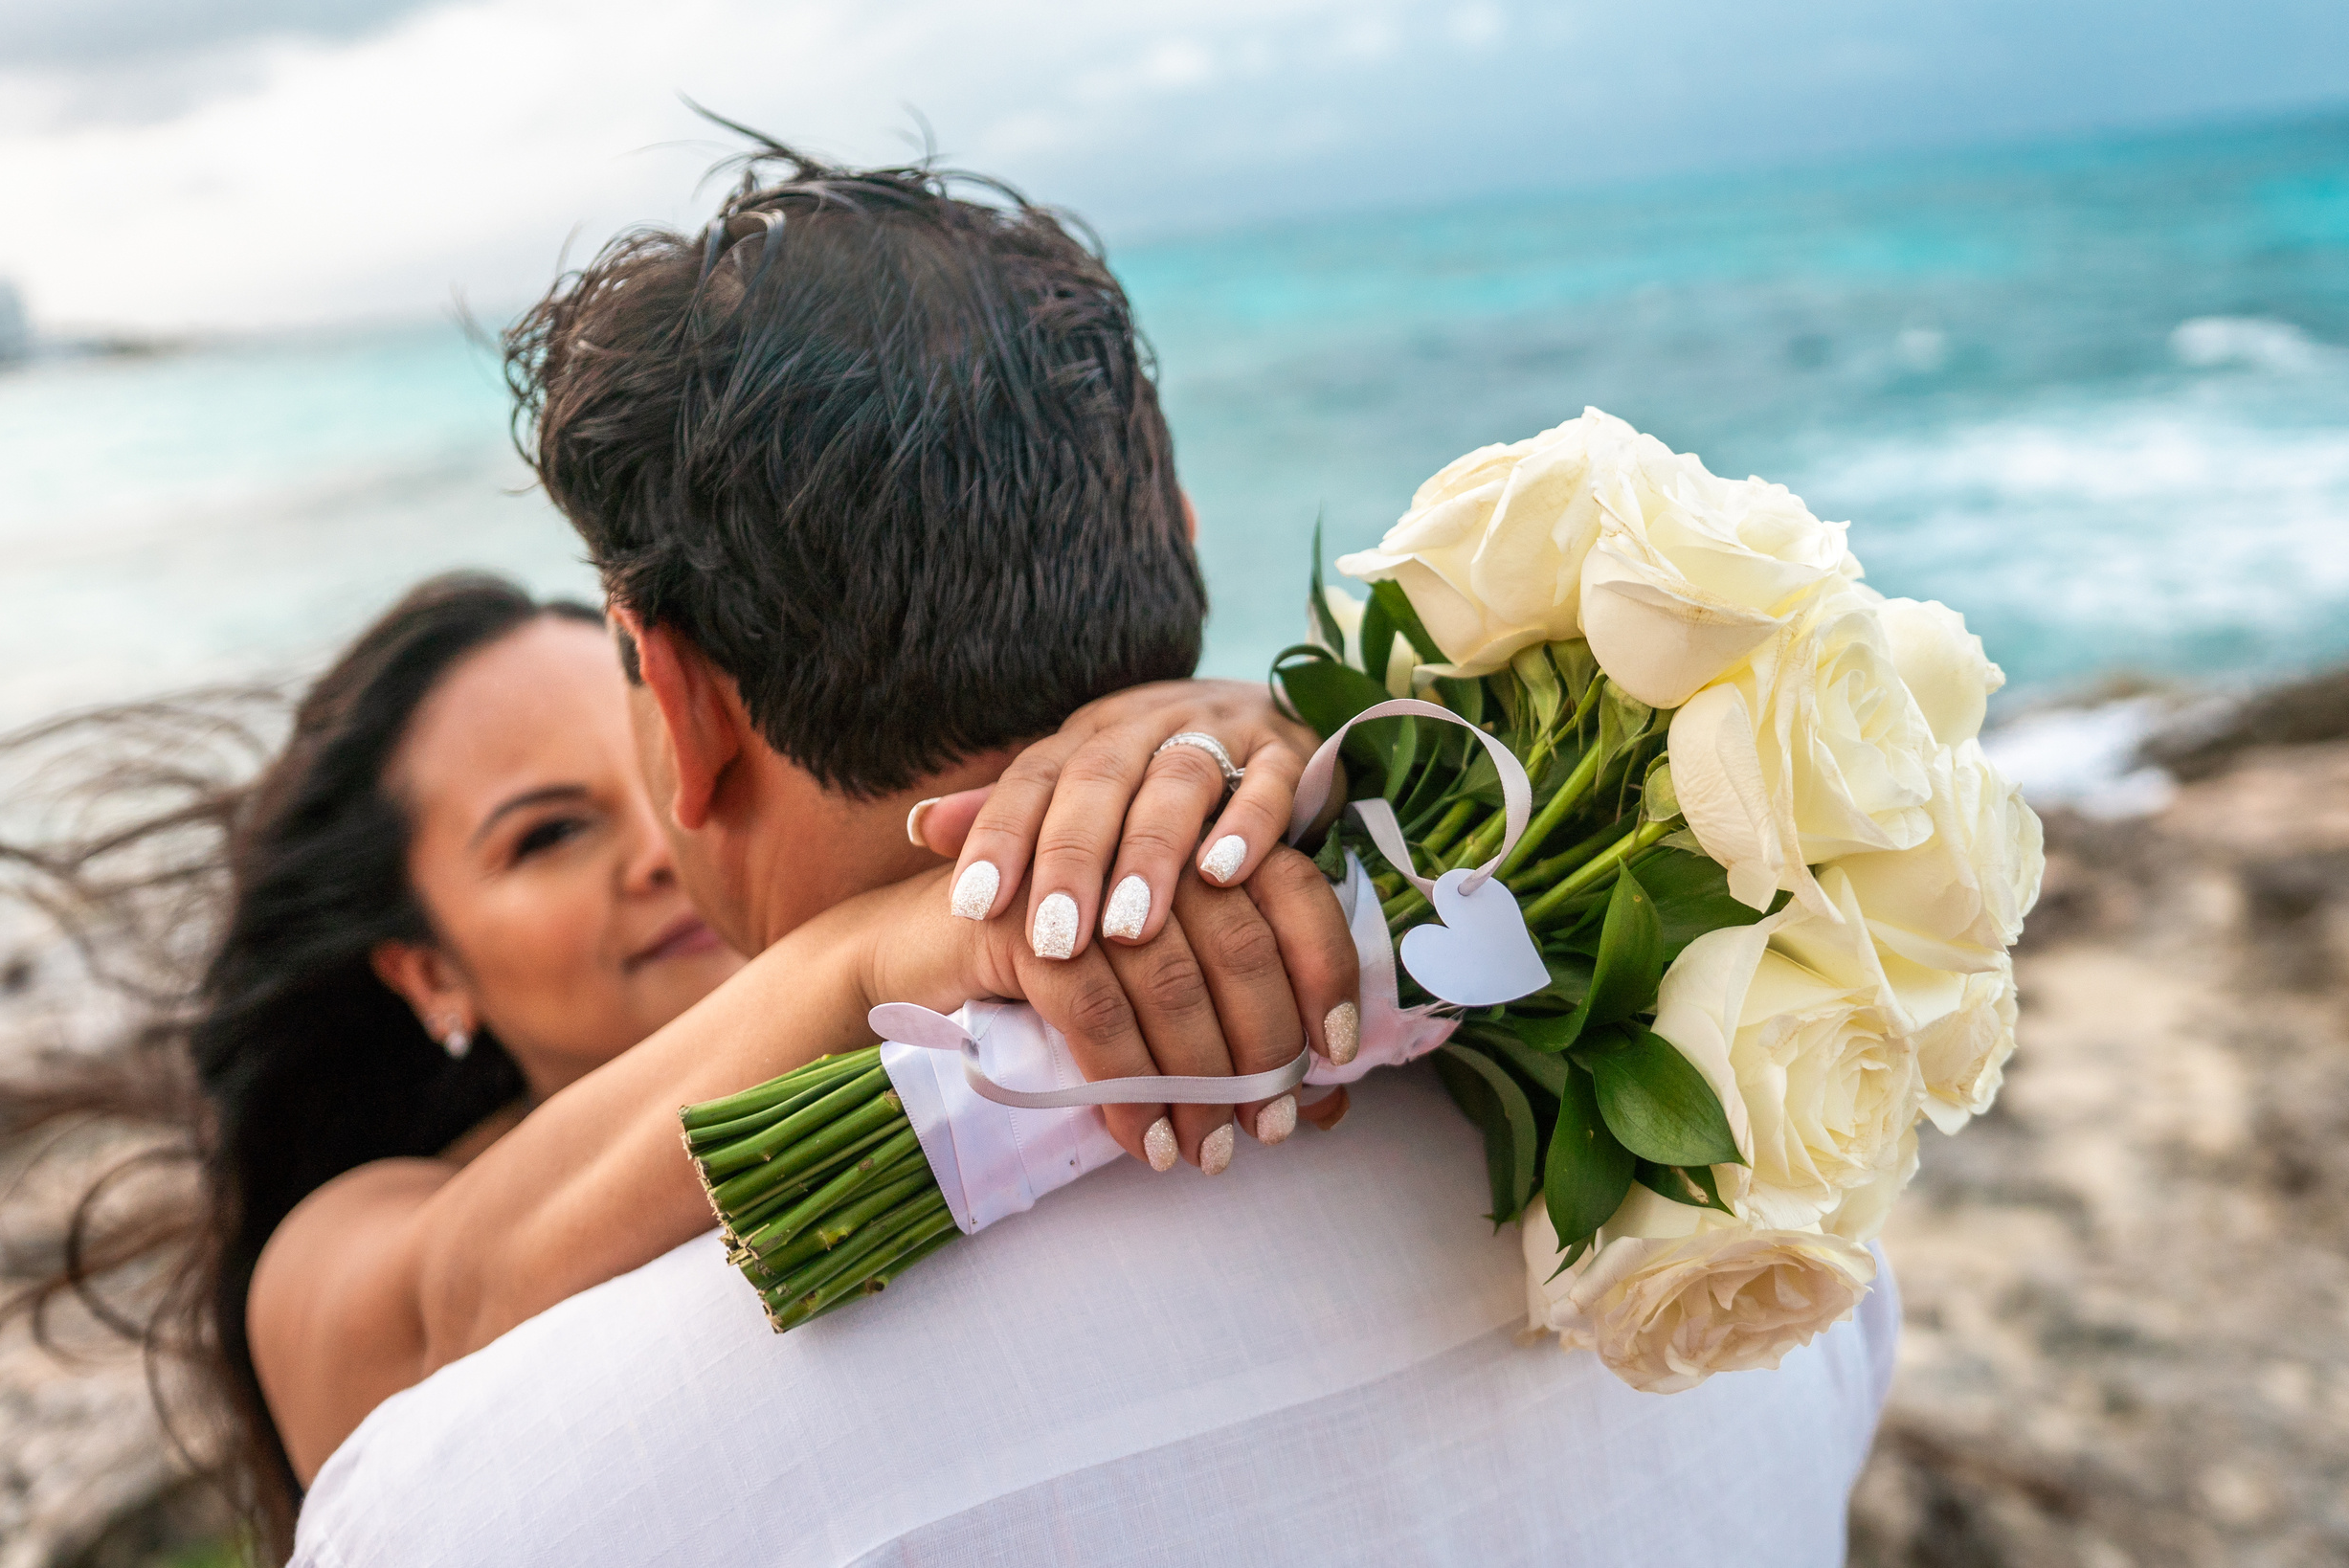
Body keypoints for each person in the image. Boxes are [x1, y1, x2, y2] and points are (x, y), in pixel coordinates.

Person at [287, 140, 1898, 1566]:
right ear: (1183, 535)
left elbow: (437, 1316)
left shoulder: (498, 1500)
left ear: (683, 701)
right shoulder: (1755, 1234)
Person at [0, 572, 1341, 1557]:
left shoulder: (932, 1046)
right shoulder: (343, 1252)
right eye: (545, 832)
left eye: (642, 770)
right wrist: (877, 941)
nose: (658, 841)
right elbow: (444, 1305)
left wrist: (1180, 761)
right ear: (428, 970)